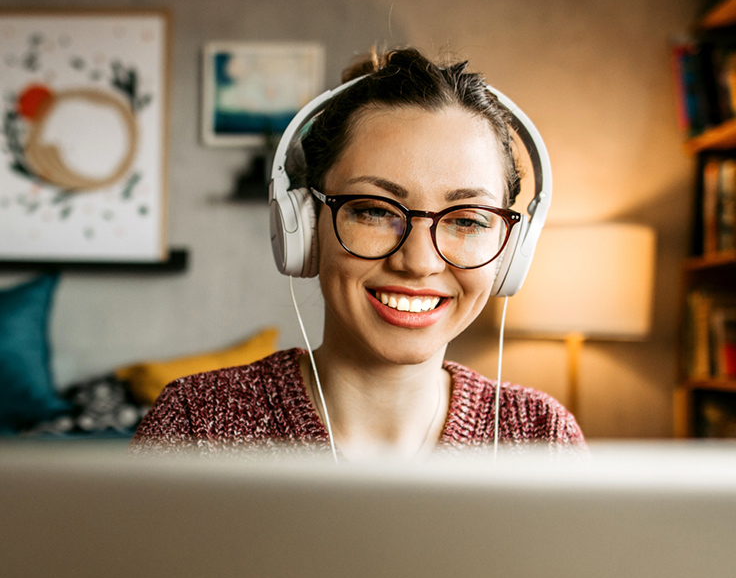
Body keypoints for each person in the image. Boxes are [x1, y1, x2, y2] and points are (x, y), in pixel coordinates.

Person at [131, 48, 584, 459]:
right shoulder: (196, 426)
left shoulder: (541, 436)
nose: (419, 261)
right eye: (372, 210)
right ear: (305, 226)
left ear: (512, 251)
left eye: (467, 219)